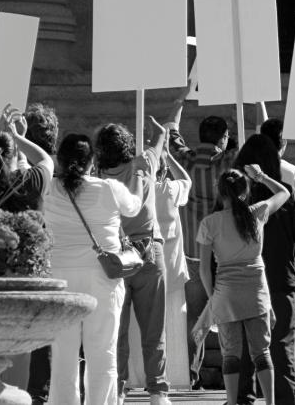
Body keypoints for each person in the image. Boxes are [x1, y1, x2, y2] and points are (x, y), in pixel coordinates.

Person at [45, 133, 142, 405]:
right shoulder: (109, 188)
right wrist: (144, 178)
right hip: (102, 278)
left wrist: (16, 136)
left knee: (63, 354)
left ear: (60, 161)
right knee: (103, 352)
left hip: (60, 280)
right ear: (92, 161)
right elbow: (134, 208)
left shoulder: (49, 189)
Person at [233, 134, 295, 405]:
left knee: (244, 342)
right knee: (282, 343)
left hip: (242, 276)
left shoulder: (233, 197)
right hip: (281, 276)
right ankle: (285, 398)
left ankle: (242, 395)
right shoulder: (287, 194)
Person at [198, 167, 290, 405]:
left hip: (226, 294)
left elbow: (204, 270)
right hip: (256, 290)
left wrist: (213, 299)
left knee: (230, 354)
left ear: (220, 192)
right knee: (262, 352)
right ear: (245, 191)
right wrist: (262, 177)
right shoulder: (257, 212)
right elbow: (284, 193)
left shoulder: (210, 223)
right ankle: (269, 402)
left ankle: (231, 401)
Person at [165, 97, 239, 390]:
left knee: (193, 318)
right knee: (232, 317)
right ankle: (233, 375)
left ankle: (191, 373)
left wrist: (181, 98)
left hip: (192, 253)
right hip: (224, 254)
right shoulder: (227, 161)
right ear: (223, 138)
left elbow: (170, 130)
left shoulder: (184, 160)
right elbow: (251, 139)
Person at [95, 118, 170, 405]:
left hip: (115, 257)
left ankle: (119, 389)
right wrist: (155, 131)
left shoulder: (98, 177)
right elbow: (161, 137)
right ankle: (158, 392)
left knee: (118, 331)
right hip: (150, 253)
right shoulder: (144, 165)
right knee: (154, 330)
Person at [20, 103, 60, 405]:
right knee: (43, 325)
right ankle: (39, 393)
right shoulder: (60, 168)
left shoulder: (16, 168)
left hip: (21, 251)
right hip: (47, 254)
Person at [153, 135, 192, 387]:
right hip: (172, 266)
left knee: (142, 325)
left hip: (145, 265)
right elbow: (186, 181)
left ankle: (140, 375)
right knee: (173, 326)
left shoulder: (139, 189)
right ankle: (175, 376)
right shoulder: (168, 189)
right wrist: (169, 156)